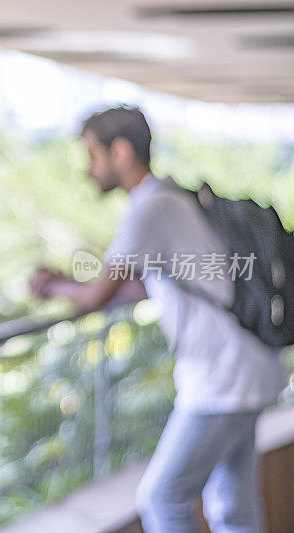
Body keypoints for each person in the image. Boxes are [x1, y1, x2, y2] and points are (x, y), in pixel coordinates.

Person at [30, 106, 284, 532]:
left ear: (122, 152)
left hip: (221, 381)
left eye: (92, 155)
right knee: (231, 503)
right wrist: (79, 285)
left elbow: (98, 295)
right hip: (249, 365)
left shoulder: (148, 208)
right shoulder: (176, 196)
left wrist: (52, 285)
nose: (87, 170)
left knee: (163, 497)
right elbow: (145, 285)